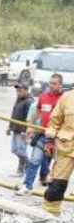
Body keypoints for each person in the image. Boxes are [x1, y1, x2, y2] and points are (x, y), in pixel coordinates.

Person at [18, 74, 64, 195]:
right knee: (35, 160)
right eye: (50, 83)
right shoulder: (44, 96)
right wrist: (30, 126)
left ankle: (54, 190)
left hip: (58, 138)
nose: (51, 86)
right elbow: (37, 112)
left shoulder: (65, 99)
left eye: (54, 83)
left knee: (58, 164)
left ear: (60, 85)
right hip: (42, 135)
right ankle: (27, 186)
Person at [41, 87, 74, 215]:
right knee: (57, 184)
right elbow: (54, 122)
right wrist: (49, 141)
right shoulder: (67, 97)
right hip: (66, 147)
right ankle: (49, 214)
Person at [7, 83, 33, 175]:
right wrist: (9, 126)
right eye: (17, 91)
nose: (18, 93)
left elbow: (29, 118)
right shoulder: (18, 99)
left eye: (20, 91)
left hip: (22, 131)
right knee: (14, 149)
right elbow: (14, 113)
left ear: (26, 90)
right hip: (15, 129)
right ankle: (25, 168)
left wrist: (24, 130)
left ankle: (27, 167)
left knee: (21, 150)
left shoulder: (28, 101)